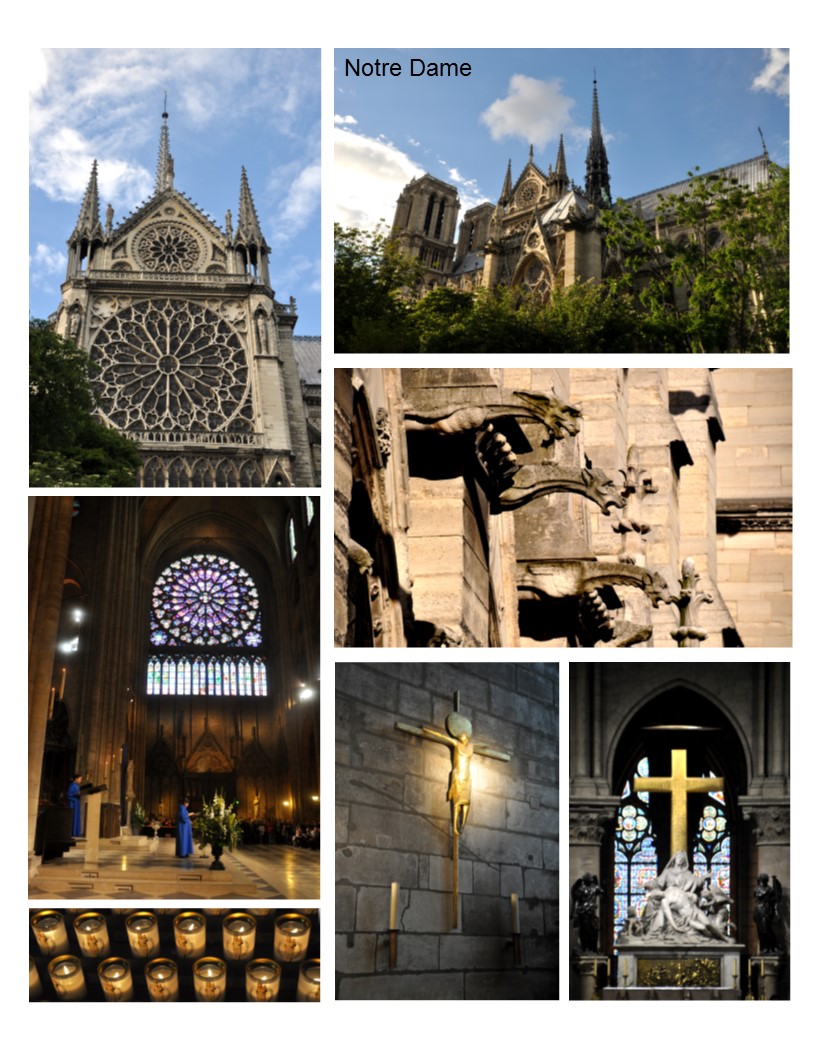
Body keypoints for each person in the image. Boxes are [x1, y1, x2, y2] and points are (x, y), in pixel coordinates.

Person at [67, 773, 83, 837]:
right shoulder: (73, 786)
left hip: (76, 803)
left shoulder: (76, 785)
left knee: (76, 817)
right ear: (76, 779)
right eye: (80, 779)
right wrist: (78, 794)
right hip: (73, 804)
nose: (80, 780)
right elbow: (69, 795)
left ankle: (75, 833)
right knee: (73, 817)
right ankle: (72, 833)